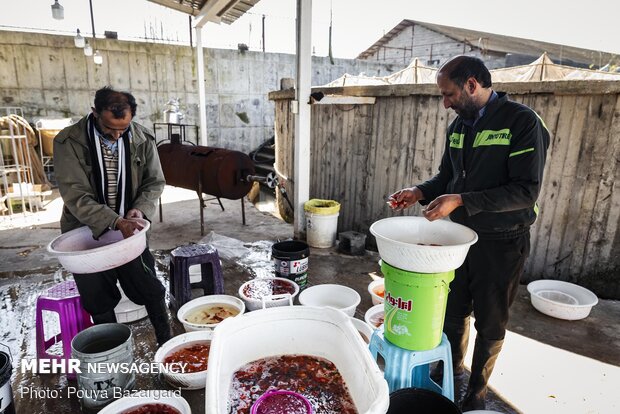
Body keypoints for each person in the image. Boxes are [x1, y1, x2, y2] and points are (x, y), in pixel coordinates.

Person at [389, 55, 549, 410]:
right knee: (453, 312)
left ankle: (477, 389)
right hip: (459, 241)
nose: (445, 103)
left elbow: (525, 191)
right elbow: (446, 179)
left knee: (491, 323)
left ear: (472, 85)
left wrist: (460, 199)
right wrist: (418, 191)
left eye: (448, 94)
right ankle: (453, 370)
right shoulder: (459, 128)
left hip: (503, 241)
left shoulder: (520, 123)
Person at [54, 86, 171, 346]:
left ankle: (166, 342)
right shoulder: (69, 141)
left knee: (148, 287)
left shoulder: (142, 138)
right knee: (98, 298)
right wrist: (115, 221)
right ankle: (114, 353)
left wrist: (140, 209)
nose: (117, 136)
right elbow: (76, 196)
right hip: (86, 233)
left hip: (129, 232)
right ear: (94, 113)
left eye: (123, 129)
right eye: (109, 129)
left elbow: (154, 183)